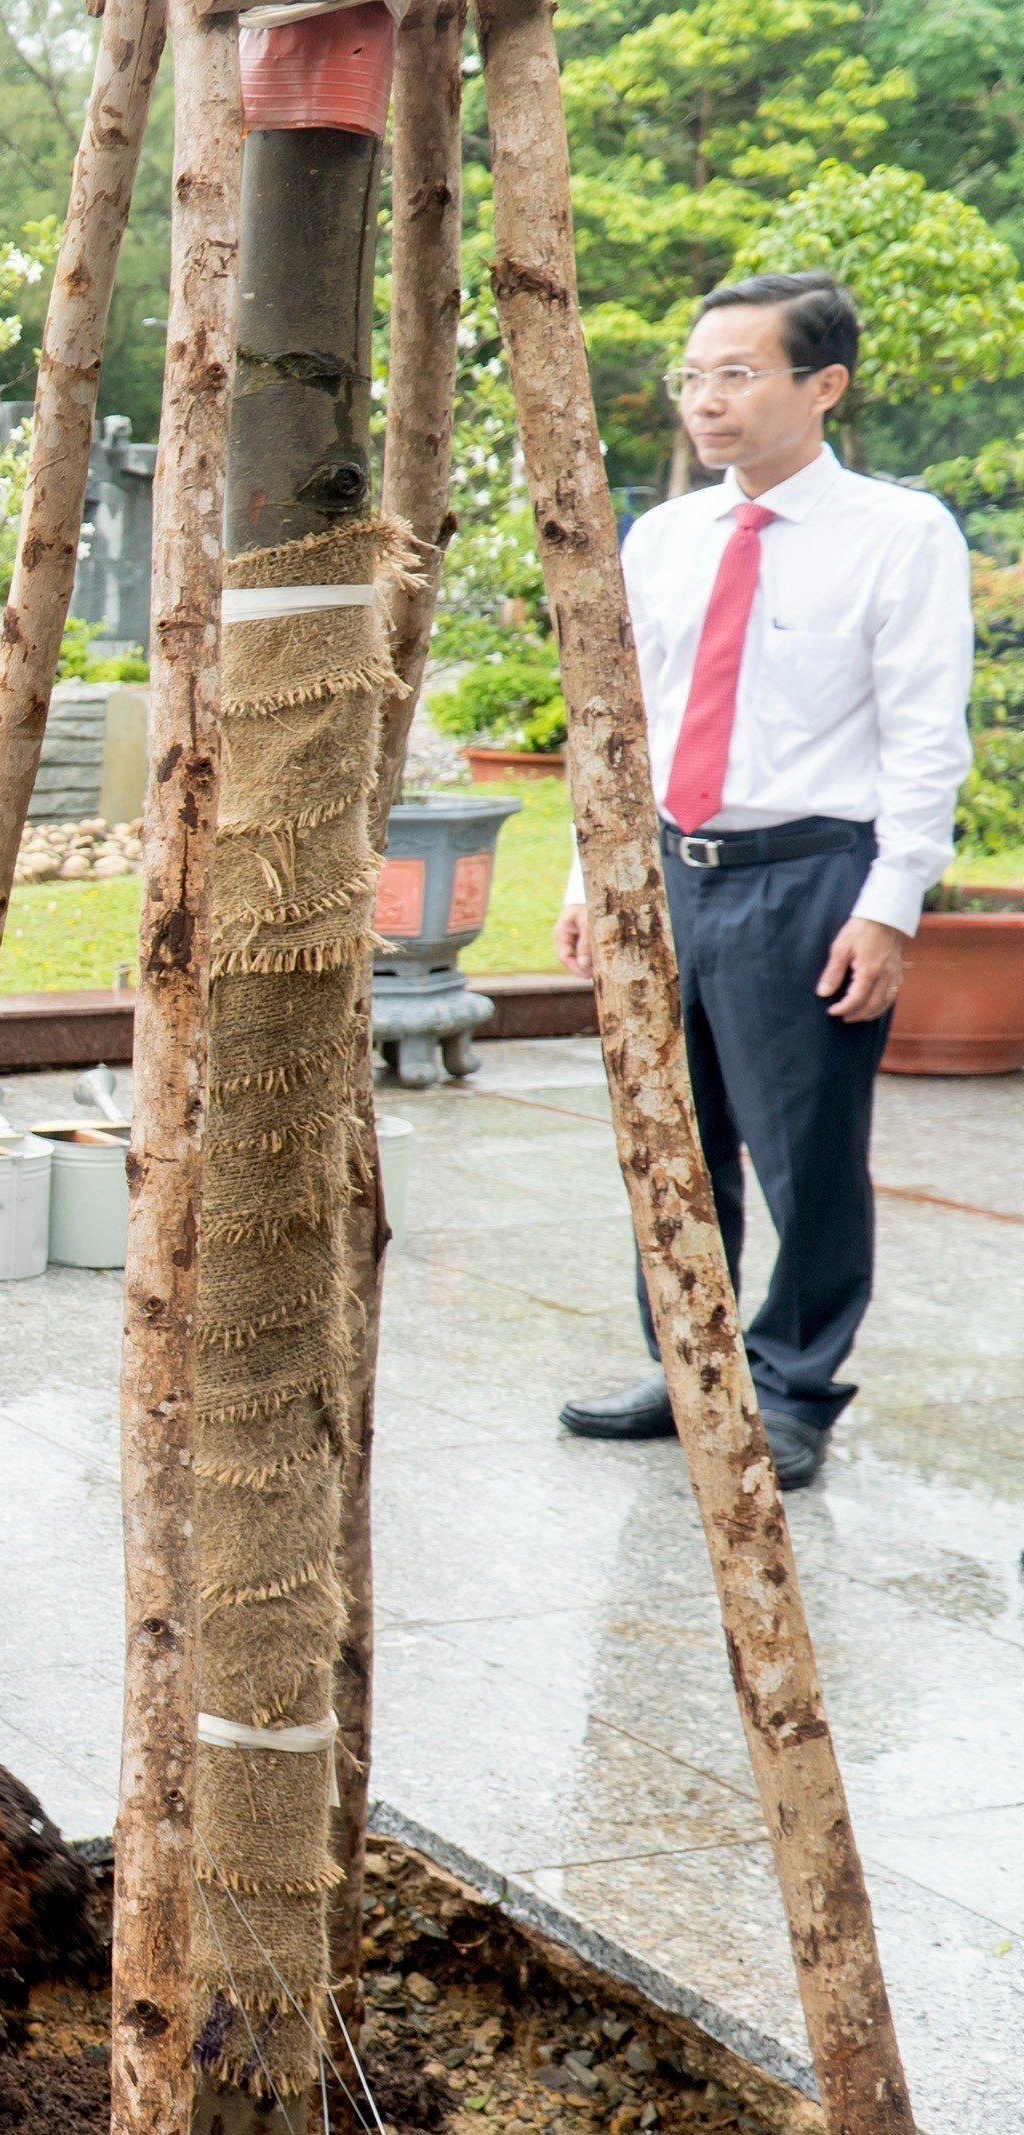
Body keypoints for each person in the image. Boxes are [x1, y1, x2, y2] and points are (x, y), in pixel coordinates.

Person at [554, 273, 973, 1489]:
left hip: (808, 877)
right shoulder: (667, 537)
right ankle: (692, 1363)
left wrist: (888, 905)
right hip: (669, 877)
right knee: (668, 1140)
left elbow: (924, 737)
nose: (706, 400)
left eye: (737, 374)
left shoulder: (900, 533)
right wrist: (598, 877)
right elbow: (619, 722)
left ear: (822, 385)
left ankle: (793, 1386)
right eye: (694, 376)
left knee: (805, 1154)